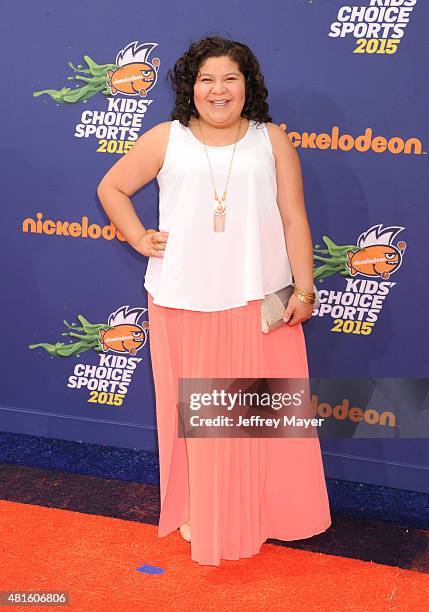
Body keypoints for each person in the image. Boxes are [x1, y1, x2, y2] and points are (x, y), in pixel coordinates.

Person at [97, 35, 332, 566]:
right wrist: (138, 236)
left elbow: (295, 218)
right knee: (197, 416)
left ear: (248, 85)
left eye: (230, 77)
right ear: (190, 87)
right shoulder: (166, 138)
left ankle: (260, 512)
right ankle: (201, 509)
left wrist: (305, 286)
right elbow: (112, 188)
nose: (218, 89)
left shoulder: (271, 140)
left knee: (254, 418)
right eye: (207, 79)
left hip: (258, 300)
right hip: (182, 298)